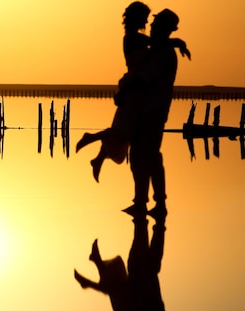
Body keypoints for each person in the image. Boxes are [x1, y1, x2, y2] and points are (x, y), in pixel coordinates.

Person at [76, 2, 190, 183]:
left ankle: (98, 158)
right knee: (126, 132)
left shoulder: (136, 38)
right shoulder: (134, 38)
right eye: (145, 18)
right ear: (137, 18)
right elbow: (158, 42)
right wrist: (178, 42)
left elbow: (157, 45)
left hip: (135, 88)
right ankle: (93, 137)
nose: (147, 22)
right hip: (134, 88)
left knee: (124, 128)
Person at [123, 9, 182, 217]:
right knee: (139, 156)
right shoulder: (157, 49)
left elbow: (144, 78)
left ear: (165, 28)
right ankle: (141, 201)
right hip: (146, 110)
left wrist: (123, 93)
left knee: (150, 156)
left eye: (156, 23)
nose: (152, 26)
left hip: (153, 111)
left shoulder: (163, 53)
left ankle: (158, 204)